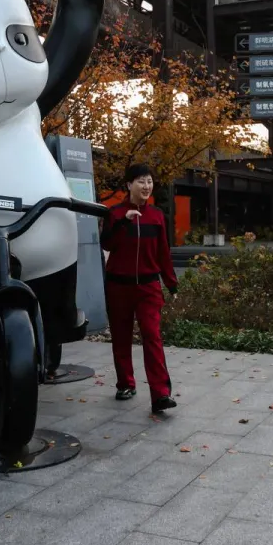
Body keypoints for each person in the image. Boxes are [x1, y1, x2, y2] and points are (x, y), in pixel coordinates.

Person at [100, 164, 178, 413]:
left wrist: (171, 283)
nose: (146, 186)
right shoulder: (114, 213)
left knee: (152, 336)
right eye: (141, 181)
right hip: (118, 286)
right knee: (121, 337)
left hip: (148, 286)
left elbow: (163, 253)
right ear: (128, 185)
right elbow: (108, 244)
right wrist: (124, 222)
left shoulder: (156, 216)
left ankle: (161, 394)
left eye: (149, 181)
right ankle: (125, 384)